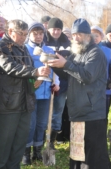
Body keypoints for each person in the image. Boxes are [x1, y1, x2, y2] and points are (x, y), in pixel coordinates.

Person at [48, 18, 111, 169]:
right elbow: (67, 74)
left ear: (88, 36)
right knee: (78, 151)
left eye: (80, 34)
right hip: (77, 110)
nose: (76, 38)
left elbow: (87, 76)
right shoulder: (76, 53)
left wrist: (66, 64)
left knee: (94, 154)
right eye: (74, 34)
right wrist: (55, 64)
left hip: (92, 112)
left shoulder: (95, 53)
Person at [0, 19, 50, 169]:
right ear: (10, 32)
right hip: (7, 104)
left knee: (19, 144)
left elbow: (28, 71)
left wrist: (38, 78)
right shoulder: (1, 47)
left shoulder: (23, 49)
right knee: (3, 145)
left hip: (25, 103)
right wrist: (34, 71)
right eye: (20, 34)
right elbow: (11, 67)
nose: (24, 37)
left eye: (25, 34)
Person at [22, 22, 60, 165]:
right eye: (35, 33)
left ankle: (37, 150)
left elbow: (55, 69)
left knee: (42, 123)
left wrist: (56, 83)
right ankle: (26, 152)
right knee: (30, 124)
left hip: (45, 93)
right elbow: (22, 69)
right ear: (29, 34)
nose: (38, 36)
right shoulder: (24, 49)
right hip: (31, 91)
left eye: (41, 33)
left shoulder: (49, 49)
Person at [44, 17, 71, 147]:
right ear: (48, 29)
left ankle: (52, 141)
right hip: (45, 83)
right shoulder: (42, 40)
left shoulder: (67, 43)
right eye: (54, 29)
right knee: (44, 112)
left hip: (62, 84)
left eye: (58, 29)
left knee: (57, 112)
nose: (56, 32)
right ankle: (41, 138)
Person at [91, 25, 111, 118]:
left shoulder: (108, 51)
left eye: (97, 35)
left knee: (103, 115)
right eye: (92, 35)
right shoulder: (84, 51)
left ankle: (102, 132)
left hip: (104, 88)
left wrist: (110, 81)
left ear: (101, 37)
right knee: (90, 114)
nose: (94, 38)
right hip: (89, 89)